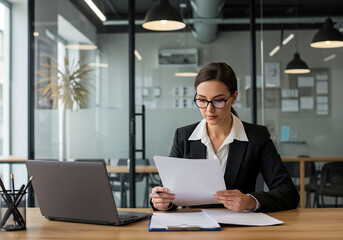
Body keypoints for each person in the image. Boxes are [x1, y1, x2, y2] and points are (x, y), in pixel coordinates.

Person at [150, 62, 299, 213]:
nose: (209, 109)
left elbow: (289, 193)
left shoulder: (256, 137)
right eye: (202, 100)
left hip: (239, 228)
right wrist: (162, 202)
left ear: (234, 97)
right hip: (195, 227)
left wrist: (250, 201)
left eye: (218, 100)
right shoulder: (183, 137)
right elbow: (168, 194)